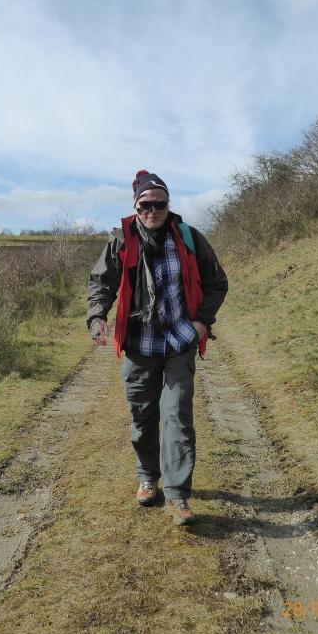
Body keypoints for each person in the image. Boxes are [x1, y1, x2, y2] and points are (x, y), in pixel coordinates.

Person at [87, 170, 228, 526]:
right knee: (143, 414)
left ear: (168, 204)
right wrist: (97, 316)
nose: (152, 211)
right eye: (145, 205)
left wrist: (202, 322)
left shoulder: (189, 238)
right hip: (139, 343)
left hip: (180, 340)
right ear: (135, 206)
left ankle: (178, 494)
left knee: (177, 413)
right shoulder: (122, 241)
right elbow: (101, 283)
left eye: (159, 204)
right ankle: (148, 477)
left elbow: (217, 282)